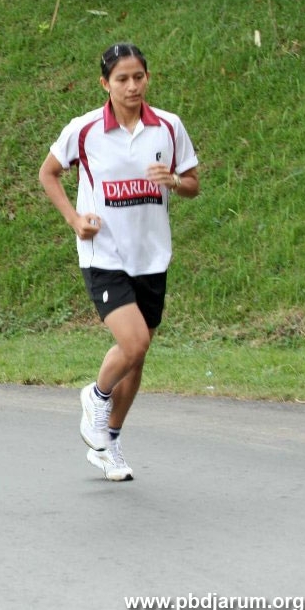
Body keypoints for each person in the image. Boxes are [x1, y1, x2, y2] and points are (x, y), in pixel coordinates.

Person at [38, 43, 200, 482]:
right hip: (104, 255)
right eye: (122, 79)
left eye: (138, 77)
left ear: (147, 78)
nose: (132, 86)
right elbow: (48, 173)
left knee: (137, 357)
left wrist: (174, 180)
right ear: (104, 84)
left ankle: (109, 442)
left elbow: (192, 184)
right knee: (134, 343)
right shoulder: (85, 129)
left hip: (152, 256)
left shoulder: (168, 127)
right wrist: (74, 219)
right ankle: (96, 394)